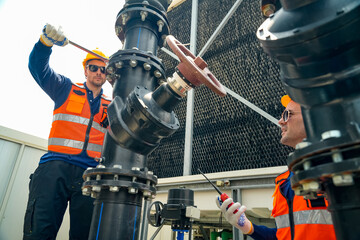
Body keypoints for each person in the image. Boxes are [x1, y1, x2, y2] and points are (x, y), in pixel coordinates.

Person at [23, 23, 111, 240]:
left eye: (104, 69)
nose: (99, 72)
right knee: (39, 232)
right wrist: (45, 43)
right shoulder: (65, 88)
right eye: (94, 67)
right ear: (85, 70)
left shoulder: (113, 106)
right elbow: (38, 68)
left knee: (85, 235)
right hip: (54, 169)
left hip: (90, 175)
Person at [216, 95, 336, 240]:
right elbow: (282, 236)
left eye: (287, 115)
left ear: (312, 118)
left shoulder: (339, 169)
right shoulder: (283, 182)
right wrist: (248, 227)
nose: (280, 121)